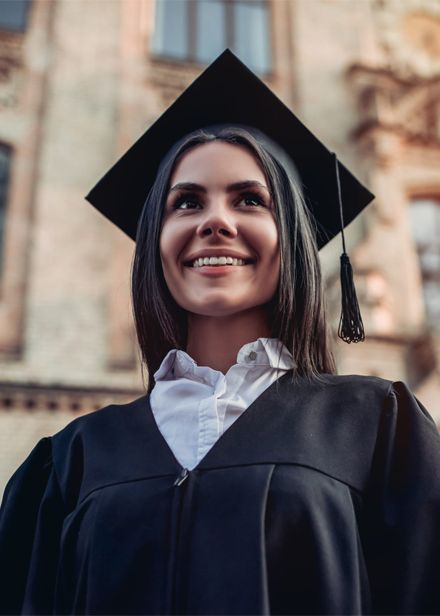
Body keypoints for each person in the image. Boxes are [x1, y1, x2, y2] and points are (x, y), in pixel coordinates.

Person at [1, 50, 440, 616]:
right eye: (185, 202)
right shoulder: (70, 462)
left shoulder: (377, 429)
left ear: (294, 241)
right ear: (155, 243)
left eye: (250, 199)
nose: (215, 220)